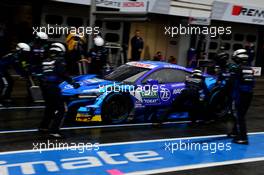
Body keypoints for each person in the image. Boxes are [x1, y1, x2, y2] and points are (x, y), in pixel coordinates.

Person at [39, 43, 80, 138]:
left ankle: (43, 126)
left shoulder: (45, 60)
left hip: (44, 87)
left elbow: (42, 74)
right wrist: (73, 83)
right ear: (60, 52)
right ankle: (54, 131)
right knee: (62, 109)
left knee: (50, 108)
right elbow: (62, 73)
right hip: (53, 87)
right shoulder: (59, 60)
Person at [227, 49, 255, 144]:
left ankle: (243, 138)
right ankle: (235, 132)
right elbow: (252, 83)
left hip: (241, 95)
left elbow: (236, 84)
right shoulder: (250, 68)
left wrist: (233, 97)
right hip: (249, 95)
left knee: (239, 116)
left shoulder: (238, 68)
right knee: (240, 115)